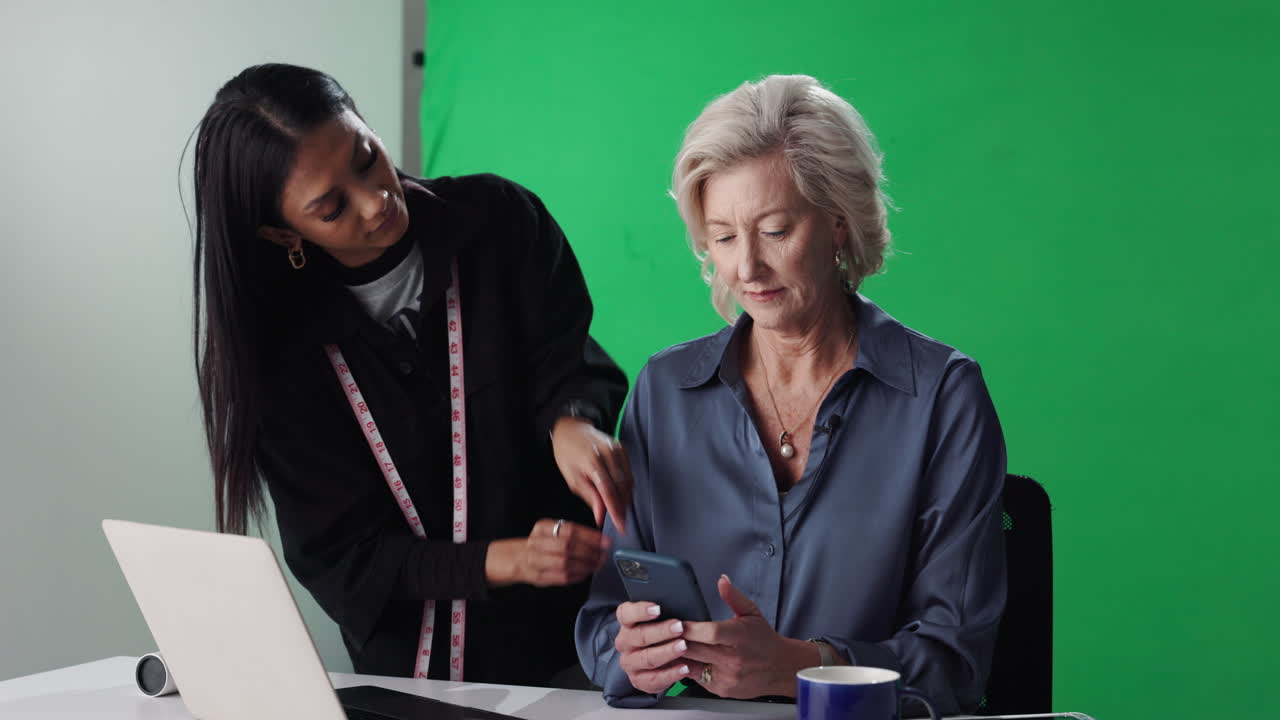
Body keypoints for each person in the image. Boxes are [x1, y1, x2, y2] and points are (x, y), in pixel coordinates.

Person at [575, 74, 1007, 714]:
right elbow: (605, 617)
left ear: (838, 224)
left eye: (774, 230)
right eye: (723, 237)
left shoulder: (942, 398)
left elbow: (954, 660)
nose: (746, 267)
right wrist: (630, 654)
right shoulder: (665, 393)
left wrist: (802, 666)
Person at [192, 63, 632, 685]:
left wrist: (573, 422)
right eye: (331, 207)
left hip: (567, 653)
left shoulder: (501, 221)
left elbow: (567, 361)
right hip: (407, 680)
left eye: (366, 156)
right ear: (280, 230)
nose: (377, 201)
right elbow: (347, 557)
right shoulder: (278, 355)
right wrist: (503, 561)